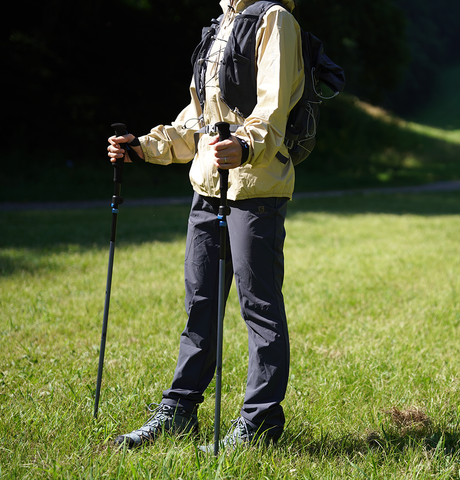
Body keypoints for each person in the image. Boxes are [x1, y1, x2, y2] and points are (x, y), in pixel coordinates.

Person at [107, 0, 304, 450]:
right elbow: (199, 117)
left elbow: (272, 111)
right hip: (206, 186)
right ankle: (178, 411)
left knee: (260, 307)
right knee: (201, 301)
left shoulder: (276, 19)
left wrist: (244, 146)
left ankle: (260, 423)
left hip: (257, 188)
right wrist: (146, 146)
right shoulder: (223, 22)